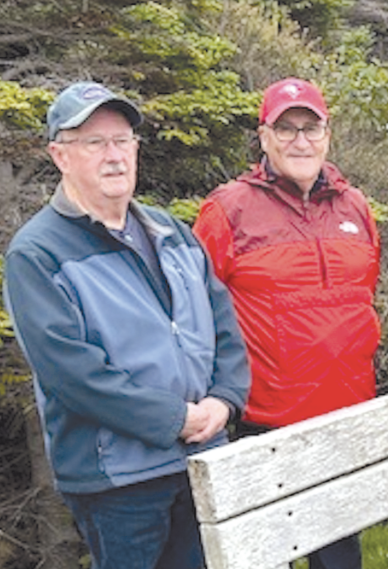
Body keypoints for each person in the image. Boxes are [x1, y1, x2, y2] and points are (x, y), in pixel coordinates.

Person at [3, 81, 251, 569]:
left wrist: (224, 399)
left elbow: (223, 322)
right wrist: (174, 418)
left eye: (122, 141)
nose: (113, 156)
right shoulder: (37, 253)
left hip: (202, 459)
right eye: (94, 143)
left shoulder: (171, 231)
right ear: (60, 155)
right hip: (119, 482)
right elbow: (73, 373)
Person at [193, 78, 380, 568]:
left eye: (310, 128)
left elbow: (364, 294)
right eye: (287, 128)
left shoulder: (354, 206)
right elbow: (197, 311)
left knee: (340, 557)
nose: (300, 140)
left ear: (326, 134)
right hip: (266, 423)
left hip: (345, 417)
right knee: (264, 554)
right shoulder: (227, 209)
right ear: (264, 137)